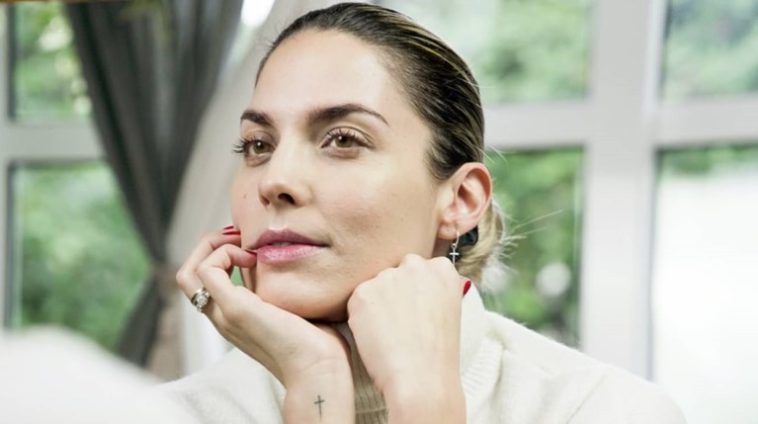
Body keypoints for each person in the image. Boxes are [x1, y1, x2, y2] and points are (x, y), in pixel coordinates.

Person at [159, 3, 686, 423]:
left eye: (343, 139)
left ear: (460, 201)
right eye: (257, 145)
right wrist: (314, 379)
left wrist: (424, 401)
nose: (275, 180)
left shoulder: (604, 411)